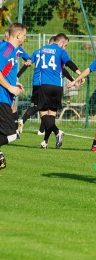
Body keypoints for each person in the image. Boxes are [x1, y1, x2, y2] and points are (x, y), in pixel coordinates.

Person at [17, 36, 77, 135]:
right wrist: (72, 79)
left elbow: (28, 63)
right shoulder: (56, 52)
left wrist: (17, 76)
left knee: (42, 107)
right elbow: (62, 69)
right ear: (56, 43)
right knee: (42, 107)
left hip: (37, 82)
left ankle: (42, 129)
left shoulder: (38, 51)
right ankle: (26, 121)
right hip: (44, 83)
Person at [37, 33, 84, 149]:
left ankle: (57, 132)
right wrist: (79, 75)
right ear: (60, 43)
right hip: (57, 87)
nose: (65, 48)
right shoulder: (61, 52)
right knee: (51, 115)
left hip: (44, 85)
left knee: (43, 115)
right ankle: (45, 141)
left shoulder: (42, 50)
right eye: (65, 45)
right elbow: (68, 65)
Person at [0, 23, 27, 169]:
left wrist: (14, 83)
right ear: (18, 35)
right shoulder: (7, 49)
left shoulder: (12, 50)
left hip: (4, 97)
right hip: (1, 97)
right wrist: (10, 87)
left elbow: (5, 71)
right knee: (12, 134)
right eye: (24, 35)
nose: (25, 38)